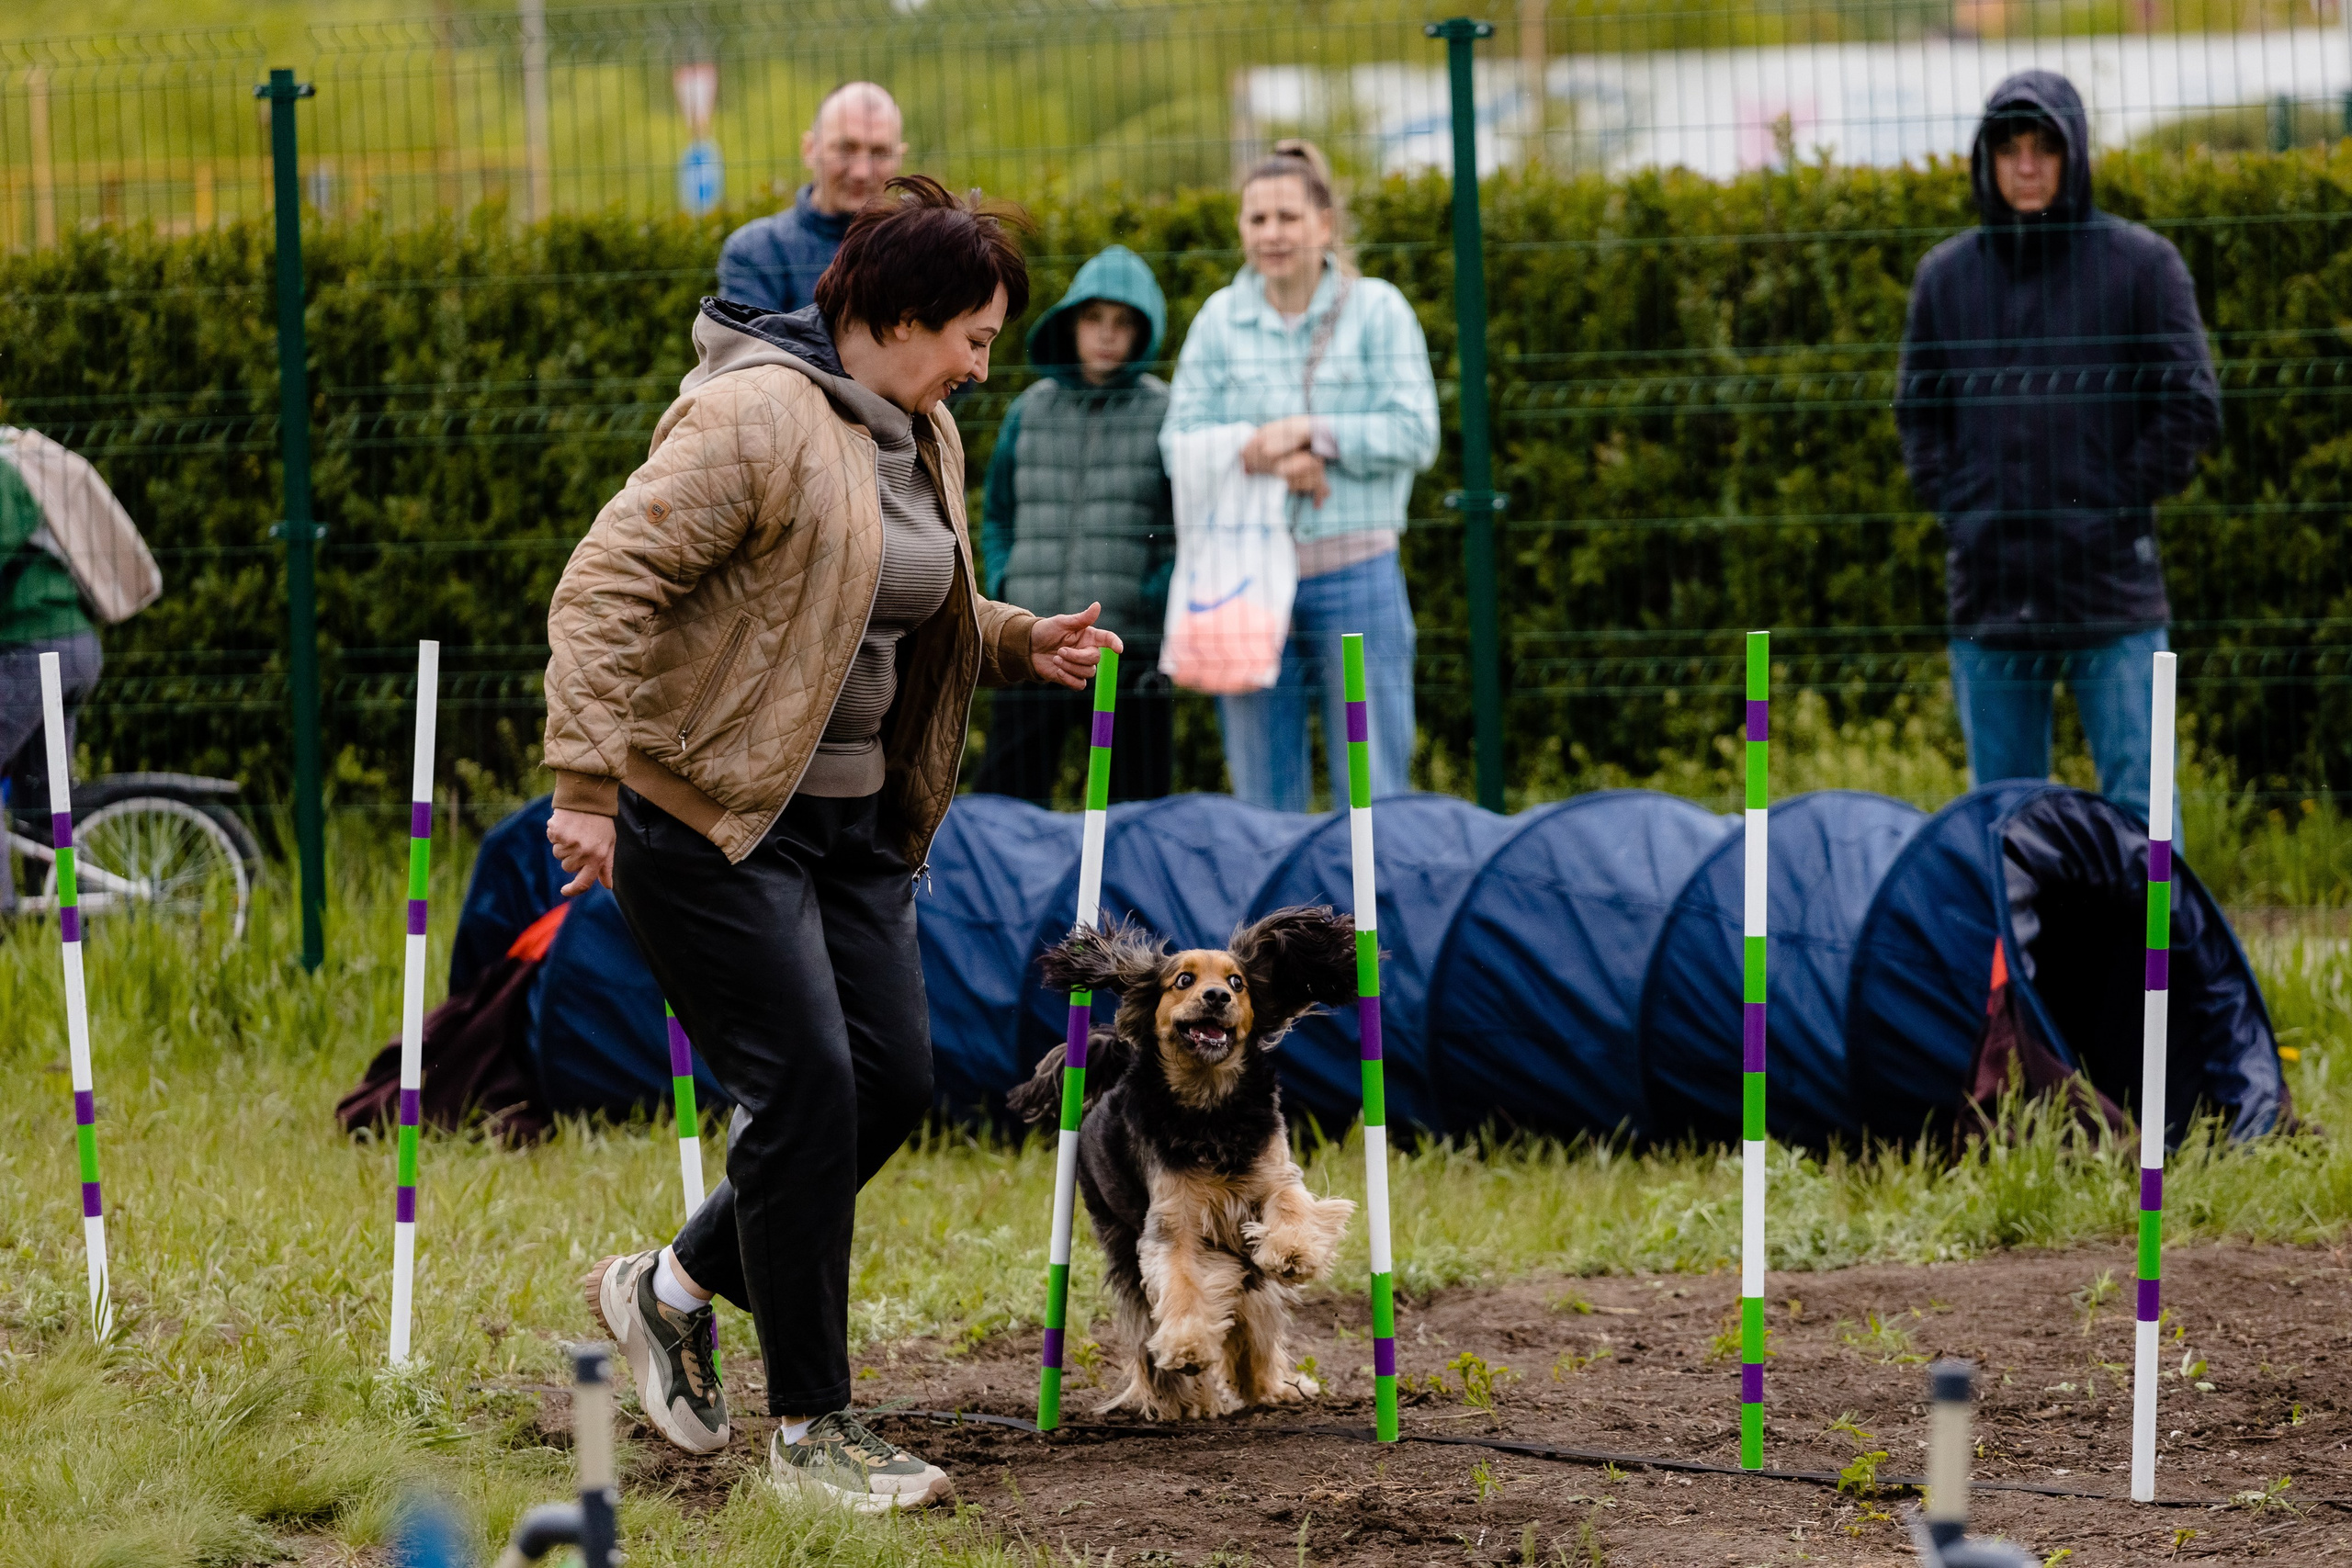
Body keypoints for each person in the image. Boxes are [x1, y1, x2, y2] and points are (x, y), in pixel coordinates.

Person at [542, 176, 1119, 1513]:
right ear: (899, 313)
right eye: (973, 336)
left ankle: (668, 1286)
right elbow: (604, 581)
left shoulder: (920, 432)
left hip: (855, 822)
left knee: (893, 1084)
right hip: (710, 815)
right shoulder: (750, 415)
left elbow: (886, 598)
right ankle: (813, 1432)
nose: (984, 364)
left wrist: (1018, 637)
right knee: (804, 1089)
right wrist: (581, 779)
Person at [1896, 71, 2219, 840]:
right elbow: (1918, 415)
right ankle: (2019, 963)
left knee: (2144, 812)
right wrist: (1968, 509)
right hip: (1991, 592)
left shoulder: (2142, 265)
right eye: (2011, 148)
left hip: (2111, 591)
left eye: (2045, 147)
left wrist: (2108, 505)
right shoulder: (1945, 279)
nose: (2029, 165)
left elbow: (2191, 406)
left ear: (2074, 156)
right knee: (2003, 822)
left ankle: (2158, 962)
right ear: (1987, 161)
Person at [1161, 140, 1438, 812]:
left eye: (1288, 217)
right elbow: (1179, 442)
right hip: (1248, 578)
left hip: (1358, 574)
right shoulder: (1219, 322)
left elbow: (1416, 430)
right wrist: (1264, 452)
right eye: (1257, 220)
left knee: (1373, 793)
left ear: (1325, 224)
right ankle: (1277, 922)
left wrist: (1314, 432)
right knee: (1263, 797)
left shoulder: (1379, 310)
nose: (1272, 234)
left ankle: (1373, 919)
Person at [975, 244, 1175, 803]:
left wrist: (1150, 596)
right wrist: (1008, 582)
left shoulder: (1165, 413)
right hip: (1037, 640)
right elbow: (998, 512)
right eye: (1093, 318)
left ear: (1144, 331)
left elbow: (1182, 523)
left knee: (1135, 809)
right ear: (1071, 323)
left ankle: (1128, 898)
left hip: (1126, 647)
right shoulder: (1030, 410)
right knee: (1007, 800)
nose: (1107, 334)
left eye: (1123, 322)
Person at [0, 449, 101, 909]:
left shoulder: (3, 473)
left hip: (39, 648)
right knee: (42, 795)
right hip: (64, 646)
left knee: (44, 793)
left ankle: (3, 914)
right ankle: (62, 908)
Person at [716, 82, 905, 315]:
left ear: (900, 157)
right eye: (846, 149)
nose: (861, 172)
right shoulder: (758, 251)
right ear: (810, 149)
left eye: (879, 153)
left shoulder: (922, 247)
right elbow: (752, 348)